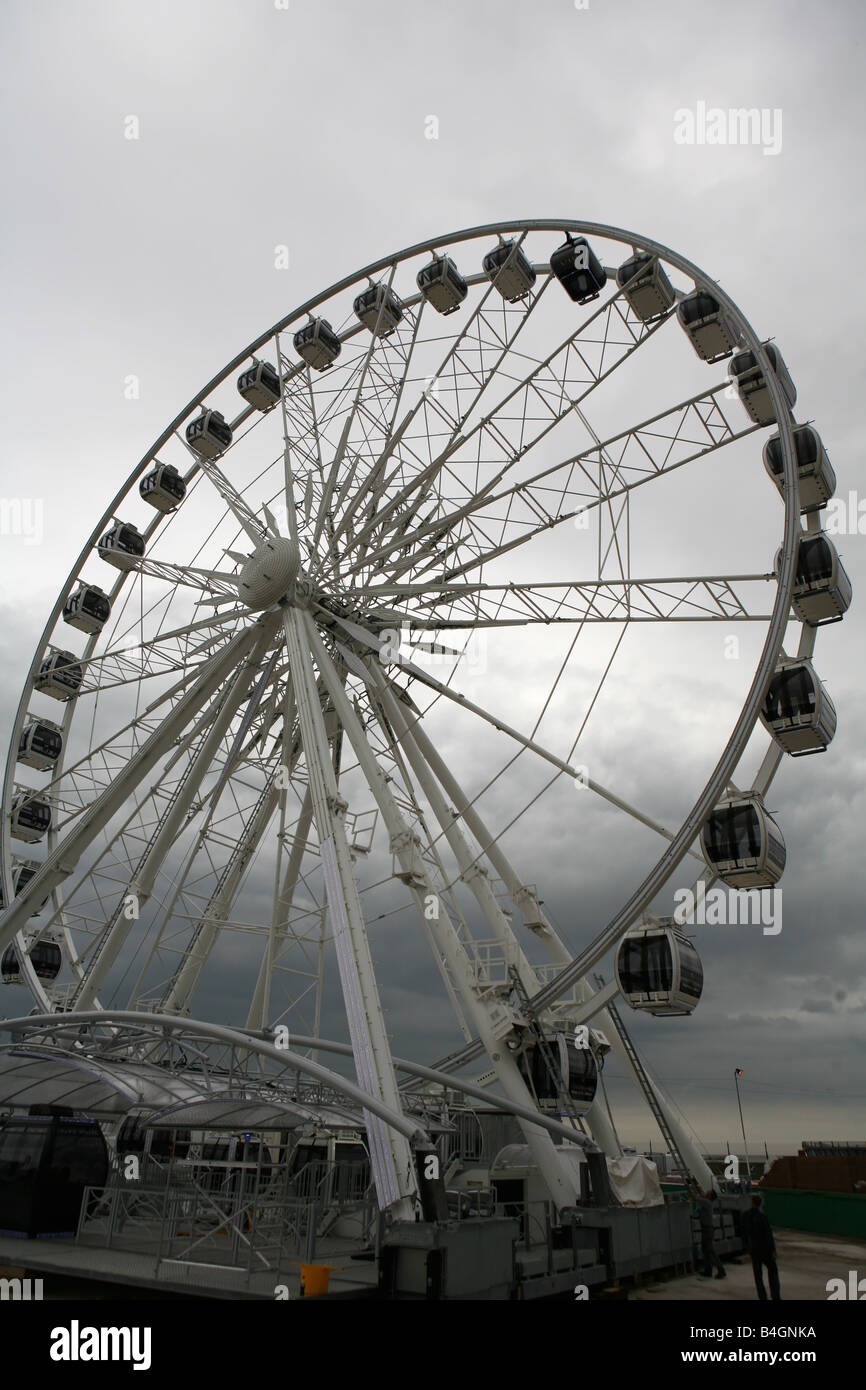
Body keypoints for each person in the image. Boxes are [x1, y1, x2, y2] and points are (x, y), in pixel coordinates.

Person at [742, 1193, 781, 1300]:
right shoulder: (763, 1217)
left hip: (754, 1249)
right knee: (773, 1271)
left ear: (752, 1203)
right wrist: (773, 1250)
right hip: (765, 1249)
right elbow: (768, 1235)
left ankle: (762, 1296)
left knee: (758, 1275)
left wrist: (747, 1246)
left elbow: (744, 1233)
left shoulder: (746, 1216)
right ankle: (775, 1295)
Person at [694, 1187, 726, 1279]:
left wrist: (688, 1188)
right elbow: (700, 1192)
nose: (707, 1190)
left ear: (710, 1195)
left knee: (710, 1251)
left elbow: (695, 1198)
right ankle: (708, 1270)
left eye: (709, 1191)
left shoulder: (706, 1202)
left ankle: (721, 1270)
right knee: (706, 1250)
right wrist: (695, 1184)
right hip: (706, 1229)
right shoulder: (706, 1199)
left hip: (707, 1229)